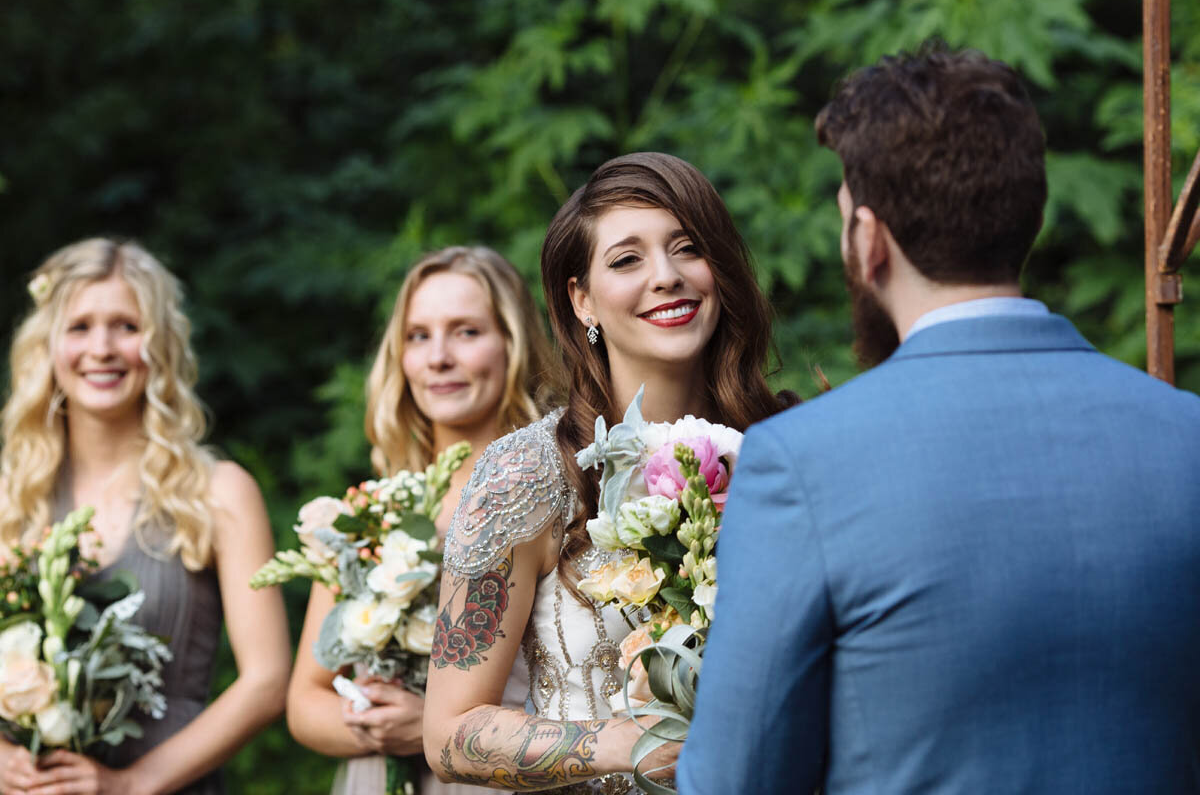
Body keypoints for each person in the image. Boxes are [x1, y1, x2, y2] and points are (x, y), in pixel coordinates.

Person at [678, 47, 1200, 794]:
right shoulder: (1188, 435)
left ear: (868, 240)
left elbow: (736, 780)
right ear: (1031, 215)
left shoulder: (804, 462)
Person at [423, 152, 792, 792]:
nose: (666, 276)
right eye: (627, 260)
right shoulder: (526, 474)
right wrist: (616, 745)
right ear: (582, 299)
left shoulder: (789, 453)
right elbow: (449, 731)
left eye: (687, 249)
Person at [0, 238, 291, 795]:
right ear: (48, 345)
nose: (102, 347)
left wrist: (131, 783)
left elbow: (267, 680)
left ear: (160, 344)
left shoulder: (219, 492)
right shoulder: (12, 499)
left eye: (127, 327)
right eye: (80, 326)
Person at [285, 246, 557, 794]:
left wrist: (440, 728)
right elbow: (305, 700)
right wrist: (377, 723)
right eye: (418, 336)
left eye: (466, 332)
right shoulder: (372, 515)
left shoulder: (552, 497)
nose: (438, 358)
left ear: (514, 343)